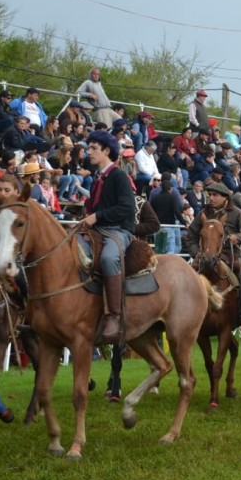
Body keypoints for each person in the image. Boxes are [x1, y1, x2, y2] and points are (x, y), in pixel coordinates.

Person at [81, 131, 136, 344]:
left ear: (106, 151)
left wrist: (97, 216)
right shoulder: (98, 177)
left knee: (108, 258)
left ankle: (114, 315)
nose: (89, 152)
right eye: (89, 148)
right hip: (97, 230)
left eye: (94, 148)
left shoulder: (119, 176)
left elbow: (126, 208)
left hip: (119, 230)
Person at [185, 182, 241, 324]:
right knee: (188, 274)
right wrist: (196, 253)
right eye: (209, 195)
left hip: (231, 253)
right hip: (205, 254)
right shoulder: (203, 213)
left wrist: (238, 237)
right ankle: (185, 307)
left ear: (225, 198)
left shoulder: (237, 213)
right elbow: (191, 236)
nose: (210, 198)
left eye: (214, 195)